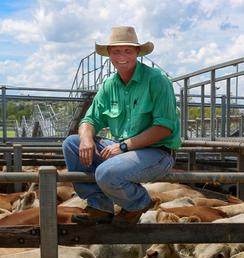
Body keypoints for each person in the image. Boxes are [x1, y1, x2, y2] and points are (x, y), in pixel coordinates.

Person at [63, 26, 181, 225]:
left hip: (156, 152)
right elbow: (89, 120)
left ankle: (139, 202)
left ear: (137, 53)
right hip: (123, 151)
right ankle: (99, 206)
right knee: (71, 144)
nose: (122, 56)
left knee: (106, 173)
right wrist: (86, 138)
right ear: (109, 54)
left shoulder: (157, 80)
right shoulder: (109, 84)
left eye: (128, 50)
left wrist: (123, 146)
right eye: (116, 51)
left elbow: (164, 127)